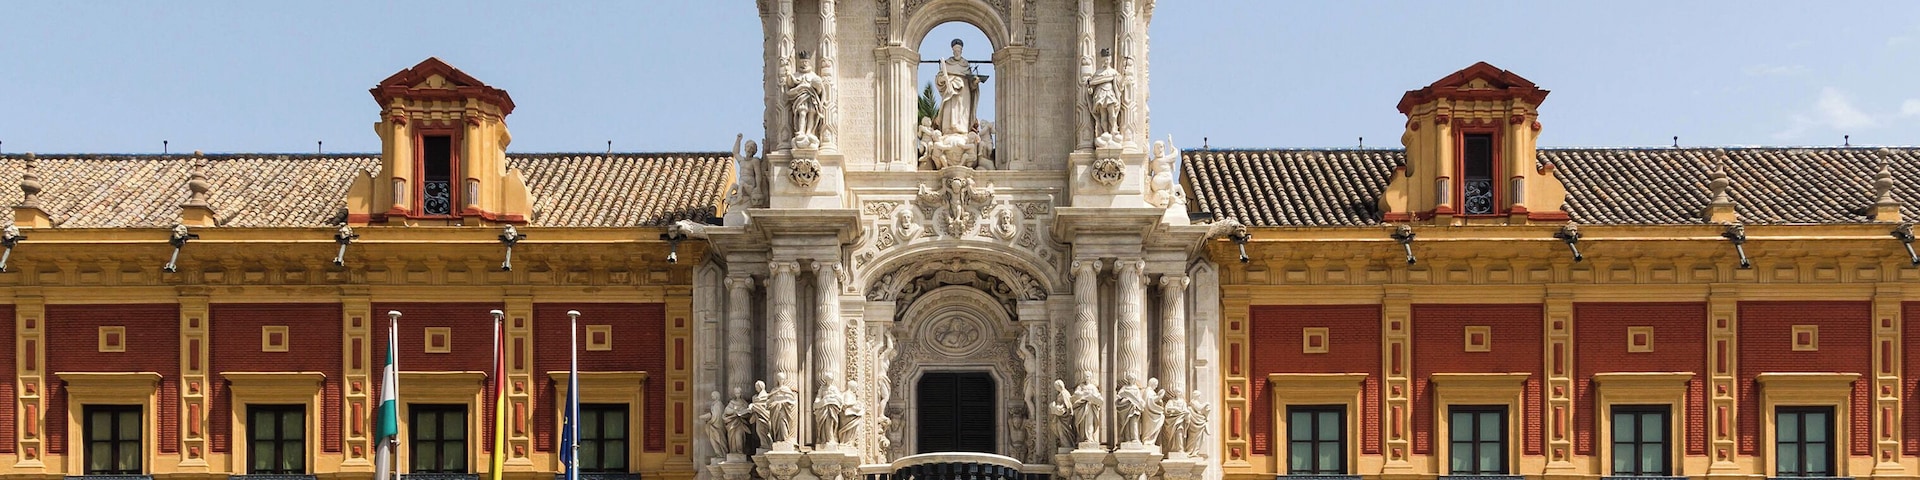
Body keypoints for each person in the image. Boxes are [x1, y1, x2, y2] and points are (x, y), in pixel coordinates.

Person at [935, 39, 979, 136]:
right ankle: (947, 130)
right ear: (952, 51)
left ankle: (962, 130)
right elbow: (939, 78)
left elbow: (971, 83)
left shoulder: (965, 64)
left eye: (958, 51)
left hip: (964, 91)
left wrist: (975, 82)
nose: (957, 53)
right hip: (950, 90)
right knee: (950, 109)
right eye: (955, 51)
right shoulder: (947, 63)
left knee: (962, 110)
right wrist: (944, 79)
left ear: (961, 51)